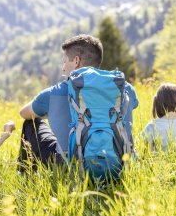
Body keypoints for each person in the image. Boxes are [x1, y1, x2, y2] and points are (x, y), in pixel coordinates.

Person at [18, 34, 138, 171]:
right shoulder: (124, 87)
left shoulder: (54, 92)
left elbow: (24, 113)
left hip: (70, 167)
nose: (63, 68)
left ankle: (25, 176)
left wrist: (53, 113)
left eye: (64, 62)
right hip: (120, 163)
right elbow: (133, 105)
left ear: (76, 61)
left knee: (31, 123)